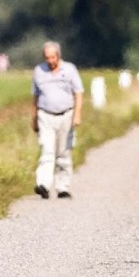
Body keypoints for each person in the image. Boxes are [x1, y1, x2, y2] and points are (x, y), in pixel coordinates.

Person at [31, 41, 83, 199]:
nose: (50, 61)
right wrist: (33, 118)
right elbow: (35, 97)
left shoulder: (70, 69)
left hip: (66, 115)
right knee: (47, 151)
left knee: (64, 153)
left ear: (58, 56)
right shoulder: (39, 71)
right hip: (45, 115)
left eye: (52, 57)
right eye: (47, 58)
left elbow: (78, 92)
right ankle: (43, 185)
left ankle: (62, 187)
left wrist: (77, 114)